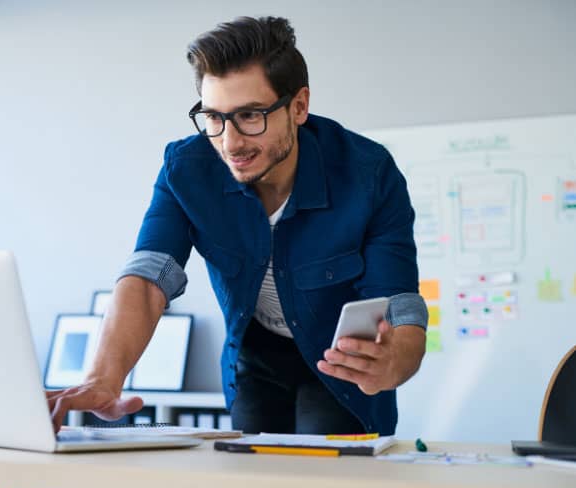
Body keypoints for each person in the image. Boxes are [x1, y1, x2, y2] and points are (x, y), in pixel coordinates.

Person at [47, 16, 428, 436]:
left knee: (327, 481)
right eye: (214, 117)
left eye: (250, 115)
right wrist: (103, 376)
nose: (230, 142)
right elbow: (148, 276)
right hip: (256, 357)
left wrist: (398, 362)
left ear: (299, 106)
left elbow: (399, 302)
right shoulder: (186, 169)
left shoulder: (369, 173)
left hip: (339, 362)